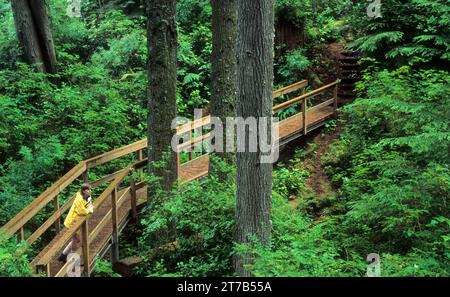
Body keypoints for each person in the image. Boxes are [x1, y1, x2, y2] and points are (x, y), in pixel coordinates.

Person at [57, 183, 94, 263]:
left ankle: (63, 256)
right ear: (84, 191)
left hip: (77, 221)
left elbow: (89, 205)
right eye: (88, 190)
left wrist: (90, 208)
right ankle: (71, 257)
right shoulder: (79, 199)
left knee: (75, 240)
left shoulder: (88, 197)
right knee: (76, 239)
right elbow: (81, 210)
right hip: (72, 221)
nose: (90, 191)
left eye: (90, 189)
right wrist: (89, 210)